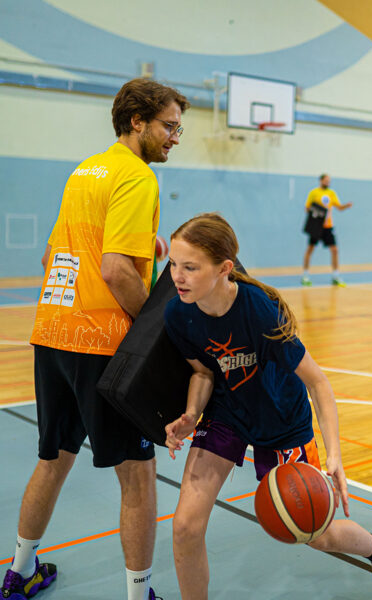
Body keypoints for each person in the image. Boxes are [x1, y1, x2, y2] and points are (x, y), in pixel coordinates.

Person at [1, 78, 189, 600]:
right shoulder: (136, 177)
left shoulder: (86, 170)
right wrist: (155, 336)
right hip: (100, 345)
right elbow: (115, 271)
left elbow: (52, 259)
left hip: (53, 332)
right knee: (137, 477)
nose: (176, 136)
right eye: (169, 126)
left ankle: (19, 573)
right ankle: (138, 595)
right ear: (137, 121)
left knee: (53, 459)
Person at [163, 213, 372, 600]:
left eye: (190, 267)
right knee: (185, 527)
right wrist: (192, 415)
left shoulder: (259, 310)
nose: (177, 276)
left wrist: (335, 456)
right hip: (229, 414)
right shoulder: (178, 313)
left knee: (314, 533)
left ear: (224, 269)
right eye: (173, 264)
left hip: (282, 424)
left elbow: (318, 383)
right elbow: (204, 373)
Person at [302, 174, 353, 287]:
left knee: (334, 250)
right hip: (316, 226)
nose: (328, 182)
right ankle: (305, 275)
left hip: (328, 226)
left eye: (329, 181)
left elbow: (339, 207)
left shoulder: (331, 193)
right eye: (326, 180)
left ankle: (335, 276)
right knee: (310, 249)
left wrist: (346, 206)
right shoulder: (314, 193)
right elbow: (307, 208)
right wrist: (317, 212)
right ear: (321, 181)